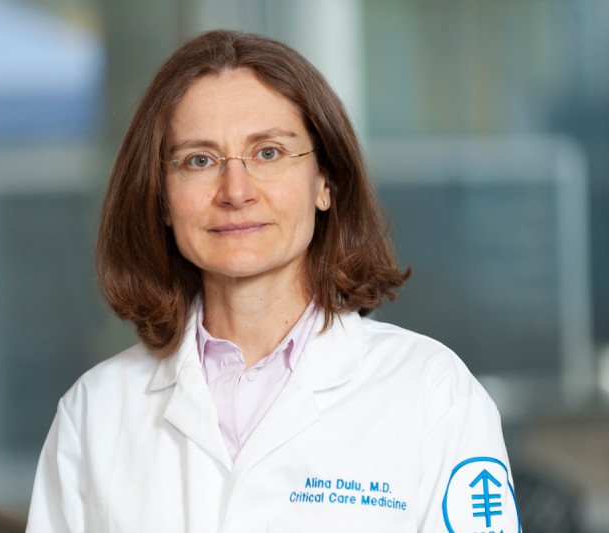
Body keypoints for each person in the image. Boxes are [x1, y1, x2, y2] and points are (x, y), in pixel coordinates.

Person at [26, 30, 520, 533]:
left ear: (325, 181)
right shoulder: (95, 413)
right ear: (161, 198)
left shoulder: (433, 394)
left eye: (268, 153)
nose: (235, 191)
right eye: (199, 160)